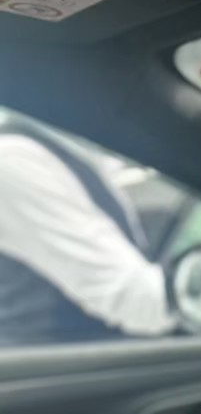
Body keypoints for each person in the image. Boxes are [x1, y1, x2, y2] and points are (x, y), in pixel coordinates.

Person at [0, 115, 175, 343]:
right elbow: (129, 298)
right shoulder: (14, 159)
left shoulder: (75, 144)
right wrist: (196, 295)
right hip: (61, 357)